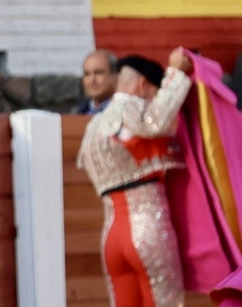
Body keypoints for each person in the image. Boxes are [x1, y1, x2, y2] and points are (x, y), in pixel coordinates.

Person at [77, 48, 194, 307]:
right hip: (148, 230)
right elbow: (155, 122)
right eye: (154, 95)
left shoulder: (93, 125)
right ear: (143, 85)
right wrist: (175, 74)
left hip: (111, 238)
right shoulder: (131, 106)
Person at [76, 49, 118, 114]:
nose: (92, 79)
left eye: (98, 73)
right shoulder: (80, 111)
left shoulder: (128, 111)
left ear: (115, 75)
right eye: (87, 74)